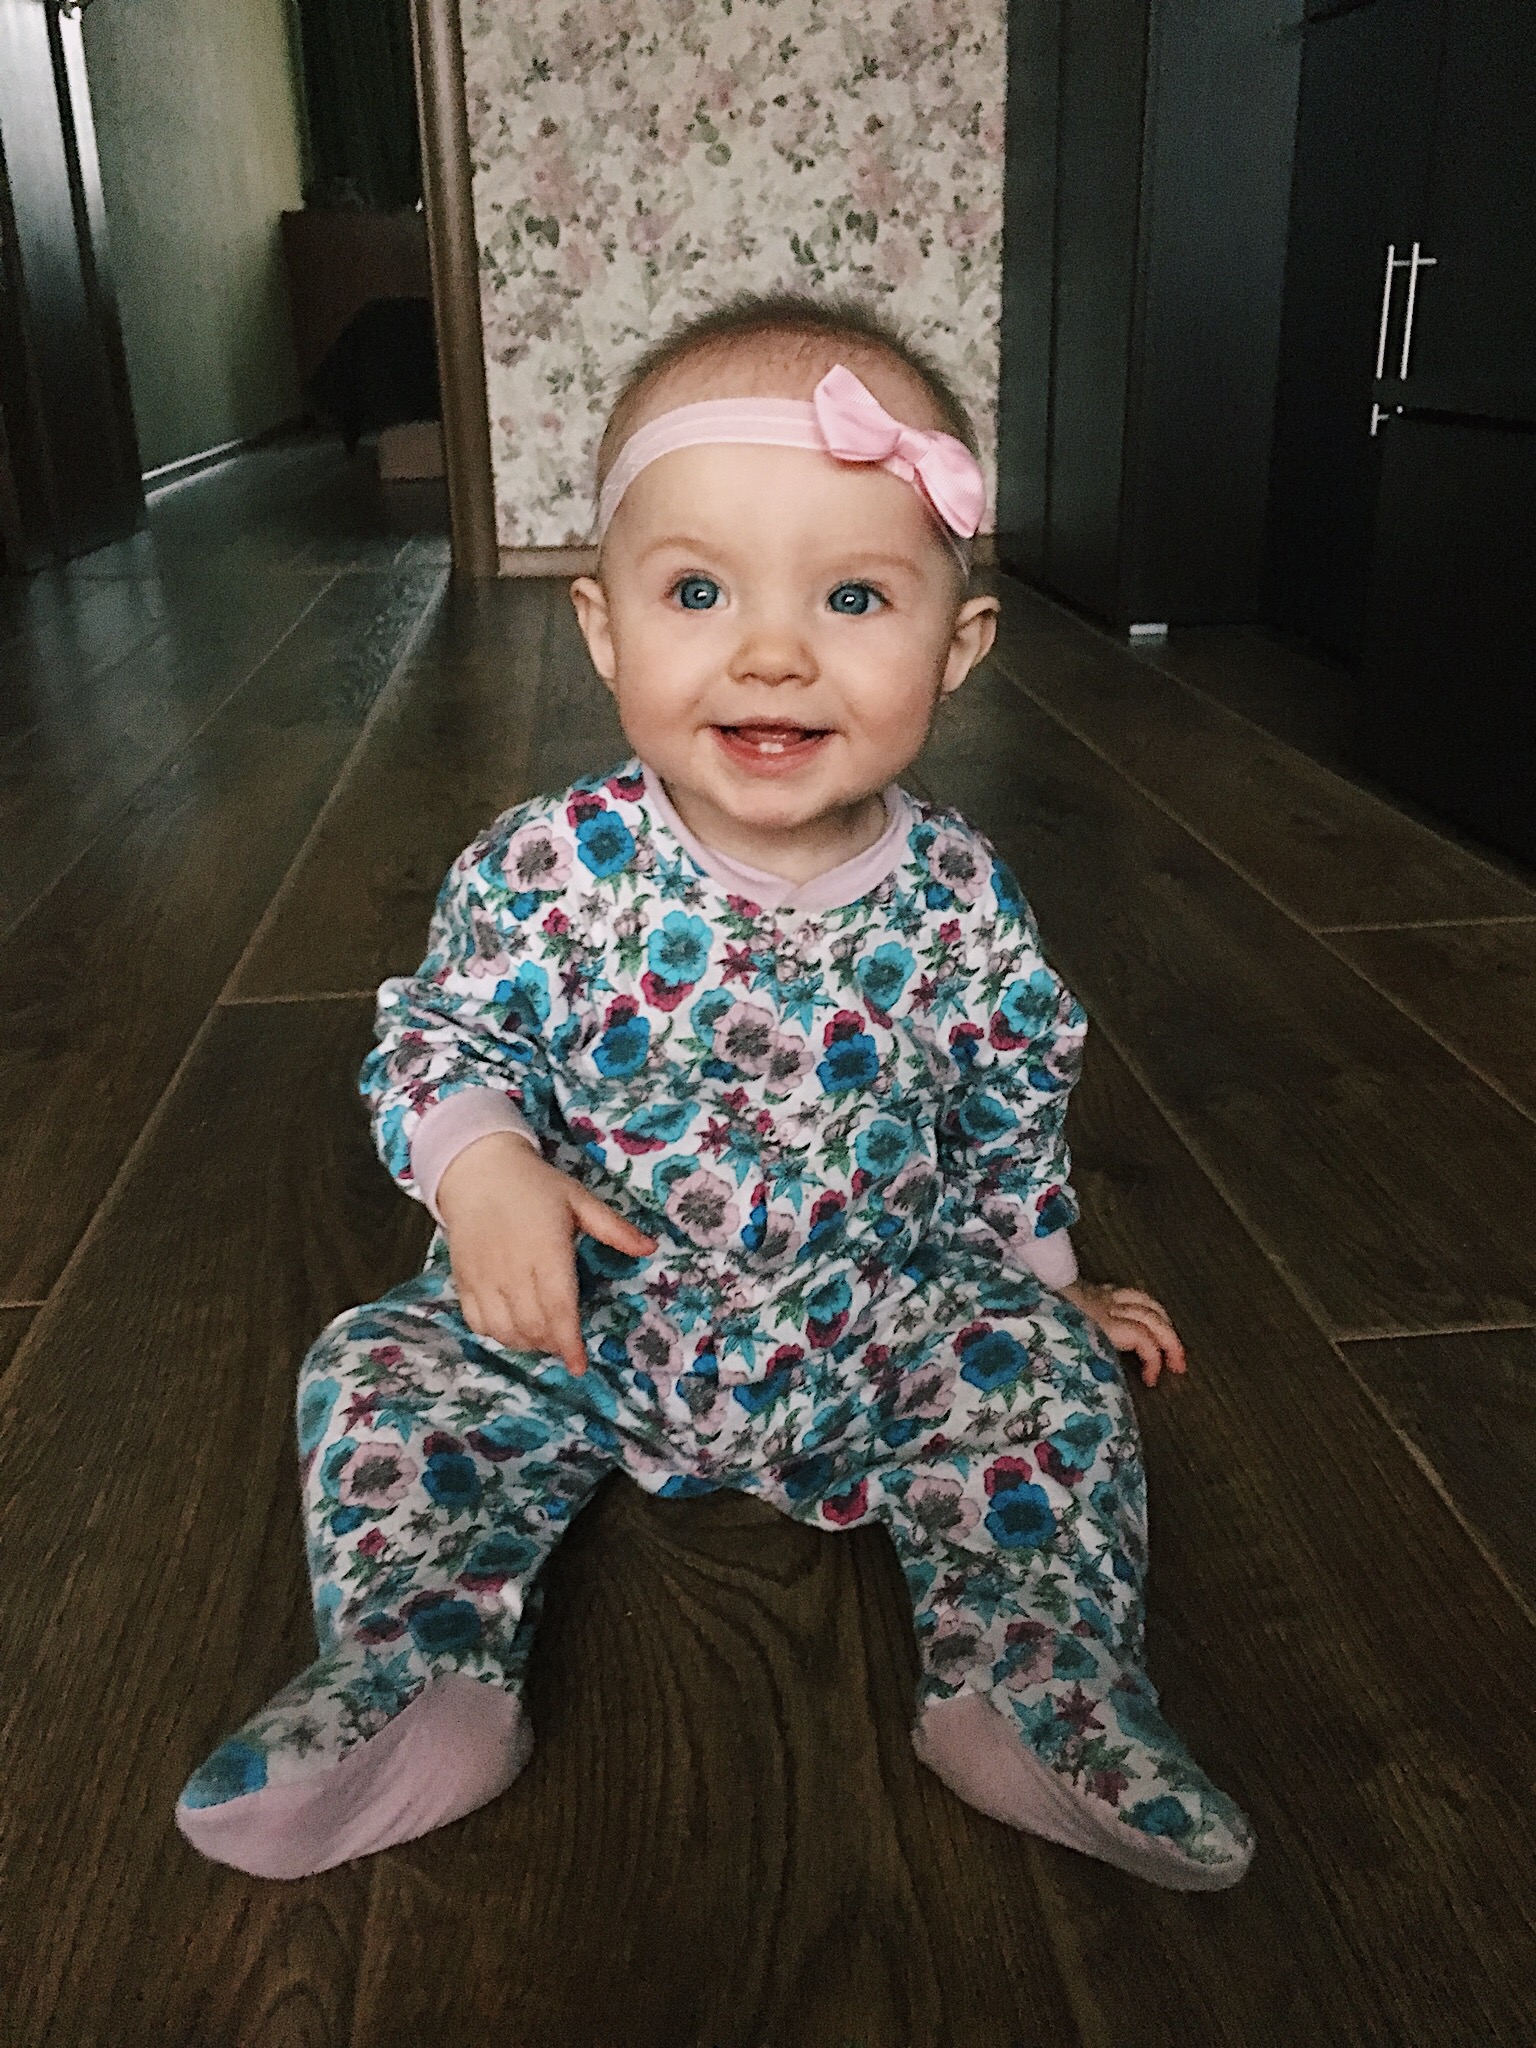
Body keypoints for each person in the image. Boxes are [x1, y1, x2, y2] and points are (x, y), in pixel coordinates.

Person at [176, 291, 1255, 1890]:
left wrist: (1044, 1285)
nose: (770, 652)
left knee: (1050, 1393)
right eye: (697, 591)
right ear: (605, 628)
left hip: (877, 1316)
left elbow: (1014, 1094)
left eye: (854, 596)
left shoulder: (962, 898)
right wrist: (483, 1170)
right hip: (584, 1325)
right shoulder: (548, 869)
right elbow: (438, 1041)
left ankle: (1043, 1693)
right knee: (379, 1373)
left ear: (957, 649)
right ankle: (414, 1676)